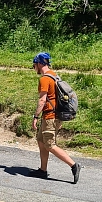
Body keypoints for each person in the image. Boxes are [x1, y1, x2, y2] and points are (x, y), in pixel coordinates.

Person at [29, 53, 80, 184]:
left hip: (50, 117)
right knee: (41, 141)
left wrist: (35, 116)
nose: (34, 68)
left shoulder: (44, 79)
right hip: (54, 116)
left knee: (50, 145)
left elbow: (42, 100)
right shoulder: (54, 75)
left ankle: (74, 165)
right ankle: (42, 170)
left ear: (39, 63)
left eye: (34, 65)